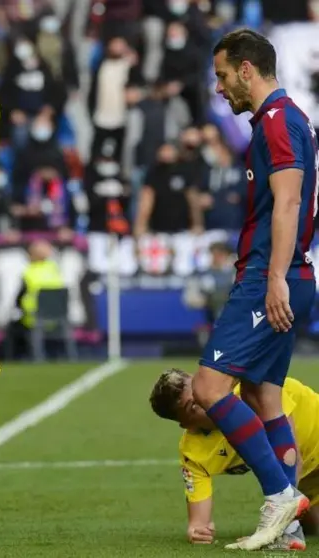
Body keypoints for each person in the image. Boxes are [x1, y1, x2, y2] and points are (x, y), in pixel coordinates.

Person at [188, 27, 319, 550]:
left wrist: (272, 281)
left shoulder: (277, 121)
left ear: (246, 69)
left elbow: (287, 204)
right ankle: (286, 527)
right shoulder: (288, 119)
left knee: (208, 388)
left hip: (273, 277)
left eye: (222, 76)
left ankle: (279, 495)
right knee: (264, 395)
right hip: (291, 273)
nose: (219, 88)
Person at [149, 368, 319, 551]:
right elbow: (199, 523)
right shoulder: (193, 453)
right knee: (313, 529)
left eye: (198, 391)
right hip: (306, 479)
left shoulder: (255, 393)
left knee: (291, 523)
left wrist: (275, 528)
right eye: (192, 407)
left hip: (298, 469)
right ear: (187, 424)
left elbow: (292, 459)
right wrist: (197, 530)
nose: (203, 401)